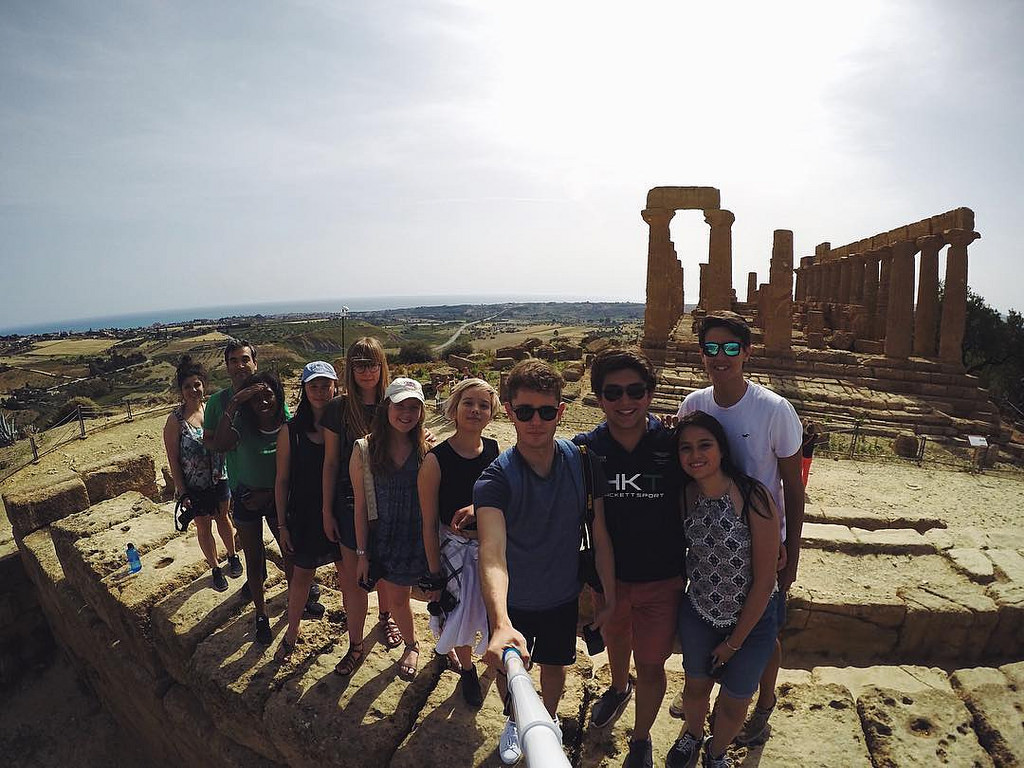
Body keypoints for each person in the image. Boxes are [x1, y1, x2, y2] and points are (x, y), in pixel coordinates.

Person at [476, 359, 617, 766]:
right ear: (509, 411)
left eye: (545, 411)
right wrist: (500, 621)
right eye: (524, 411)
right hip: (514, 600)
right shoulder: (495, 480)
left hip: (561, 593)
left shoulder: (584, 462)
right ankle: (516, 719)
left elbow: (600, 533)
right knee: (509, 670)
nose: (535, 421)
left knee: (556, 664)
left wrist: (608, 598)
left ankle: (548, 716)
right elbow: (492, 553)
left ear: (561, 411)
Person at [672, 311, 803, 747]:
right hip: (714, 537)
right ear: (702, 354)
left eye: (731, 348)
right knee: (730, 622)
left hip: (765, 539)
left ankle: (762, 704)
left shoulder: (774, 410)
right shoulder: (694, 405)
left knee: (766, 630)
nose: (720, 356)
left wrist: (792, 551)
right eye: (712, 348)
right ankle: (701, 694)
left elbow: (792, 486)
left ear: (746, 352)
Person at [573, 349, 684, 768]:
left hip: (663, 578)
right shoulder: (586, 449)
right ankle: (618, 689)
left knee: (653, 663)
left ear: (651, 394)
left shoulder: (673, 443)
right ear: (599, 397)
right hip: (610, 578)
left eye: (635, 391)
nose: (625, 401)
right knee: (618, 644)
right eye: (613, 392)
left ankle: (641, 738)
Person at [665, 411, 781, 768]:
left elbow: (764, 579)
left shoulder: (753, 497)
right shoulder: (684, 496)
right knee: (696, 686)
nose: (695, 455)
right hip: (701, 610)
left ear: (721, 449)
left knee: (734, 698)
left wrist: (733, 643)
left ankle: (716, 754)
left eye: (704, 445)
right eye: (686, 448)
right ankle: (694, 735)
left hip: (754, 618)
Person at [205, 340, 306, 646]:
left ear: (255, 362)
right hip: (247, 495)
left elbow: (289, 432)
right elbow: (216, 444)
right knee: (253, 558)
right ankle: (261, 613)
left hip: (277, 494)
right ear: (226, 366)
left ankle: (296, 604)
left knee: (290, 552)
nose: (239, 365)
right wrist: (236, 402)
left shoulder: (271, 395)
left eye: (245, 359)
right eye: (233, 360)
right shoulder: (219, 403)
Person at [418, 377, 500, 708]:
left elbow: (502, 499)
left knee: (494, 612)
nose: (475, 410)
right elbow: (427, 523)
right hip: (453, 550)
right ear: (455, 408)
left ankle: (496, 665)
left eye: (483, 405)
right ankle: (467, 670)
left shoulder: (494, 450)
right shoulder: (436, 460)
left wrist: (478, 508)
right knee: (460, 616)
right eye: (468, 402)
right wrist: (435, 575)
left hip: (489, 549)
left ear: (491, 413)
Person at [321, 337, 398, 671]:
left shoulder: (394, 403)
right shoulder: (338, 409)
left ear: (382, 367)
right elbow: (329, 463)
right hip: (349, 504)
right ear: (350, 369)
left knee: (384, 571)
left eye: (373, 363)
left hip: (388, 502)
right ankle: (355, 645)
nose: (367, 371)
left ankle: (386, 618)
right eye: (360, 364)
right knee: (353, 579)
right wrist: (326, 510)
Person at [348, 377, 430, 680]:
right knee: (398, 598)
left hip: (419, 538)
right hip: (385, 538)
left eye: (414, 407)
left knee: (431, 598)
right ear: (386, 407)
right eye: (400, 406)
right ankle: (413, 644)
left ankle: (449, 649)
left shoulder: (426, 448)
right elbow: (359, 506)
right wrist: (362, 554)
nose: (406, 414)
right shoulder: (364, 449)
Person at [273, 361, 344, 662]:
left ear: (335, 387)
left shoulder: (345, 425)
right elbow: (282, 480)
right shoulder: (291, 431)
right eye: (313, 385)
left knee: (348, 574)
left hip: (340, 510)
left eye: (325, 385)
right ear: (304, 389)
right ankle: (292, 631)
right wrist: (282, 526)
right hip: (304, 514)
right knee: (301, 576)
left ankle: (357, 633)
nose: (319, 391)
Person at [162, 355, 242, 592]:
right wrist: (182, 491)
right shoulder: (175, 421)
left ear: (203, 385)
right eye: (187, 386)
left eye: (197, 384)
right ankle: (215, 568)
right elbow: (173, 459)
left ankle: (232, 555)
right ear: (181, 391)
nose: (193, 390)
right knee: (203, 526)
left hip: (220, 477)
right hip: (194, 484)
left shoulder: (211, 411)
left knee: (224, 518)